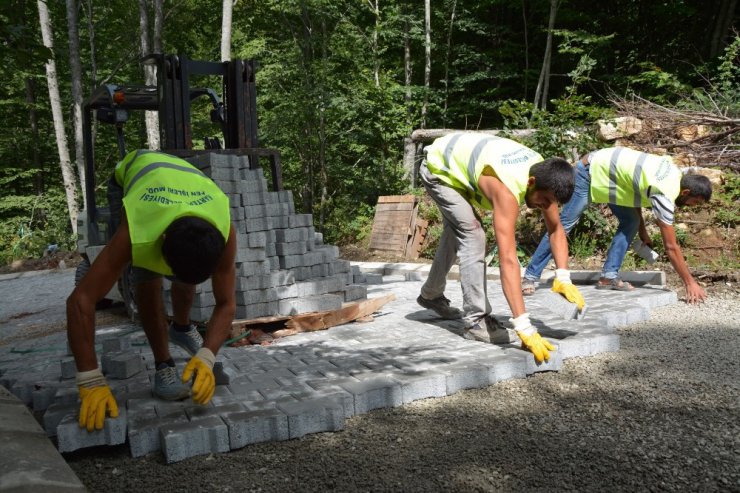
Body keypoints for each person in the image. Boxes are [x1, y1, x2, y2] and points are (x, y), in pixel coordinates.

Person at [67, 149, 237, 432]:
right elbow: (80, 300)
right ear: (162, 240)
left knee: (187, 265)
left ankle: (181, 329)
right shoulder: (138, 228)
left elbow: (226, 303)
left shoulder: (224, 229)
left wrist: (208, 355)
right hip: (134, 180)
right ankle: (163, 366)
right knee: (147, 279)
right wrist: (90, 378)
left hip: (182, 184)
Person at [416, 132, 585, 363]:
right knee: (473, 233)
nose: (544, 207)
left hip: (464, 164)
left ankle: (431, 295)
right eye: (543, 201)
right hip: (438, 169)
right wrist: (523, 326)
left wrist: (563, 278)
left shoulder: (546, 178)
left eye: (550, 204)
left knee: (458, 229)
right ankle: (476, 321)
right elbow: (508, 259)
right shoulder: (506, 189)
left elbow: (556, 229)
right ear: (531, 183)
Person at [522, 147, 712, 303]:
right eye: (694, 203)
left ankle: (608, 276)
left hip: (614, 179)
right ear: (686, 192)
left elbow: (633, 190)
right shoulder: (665, 192)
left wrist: (643, 231)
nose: (691, 207)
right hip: (589, 172)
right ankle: (530, 276)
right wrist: (689, 283)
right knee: (562, 227)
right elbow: (671, 246)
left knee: (631, 221)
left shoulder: (674, 173)